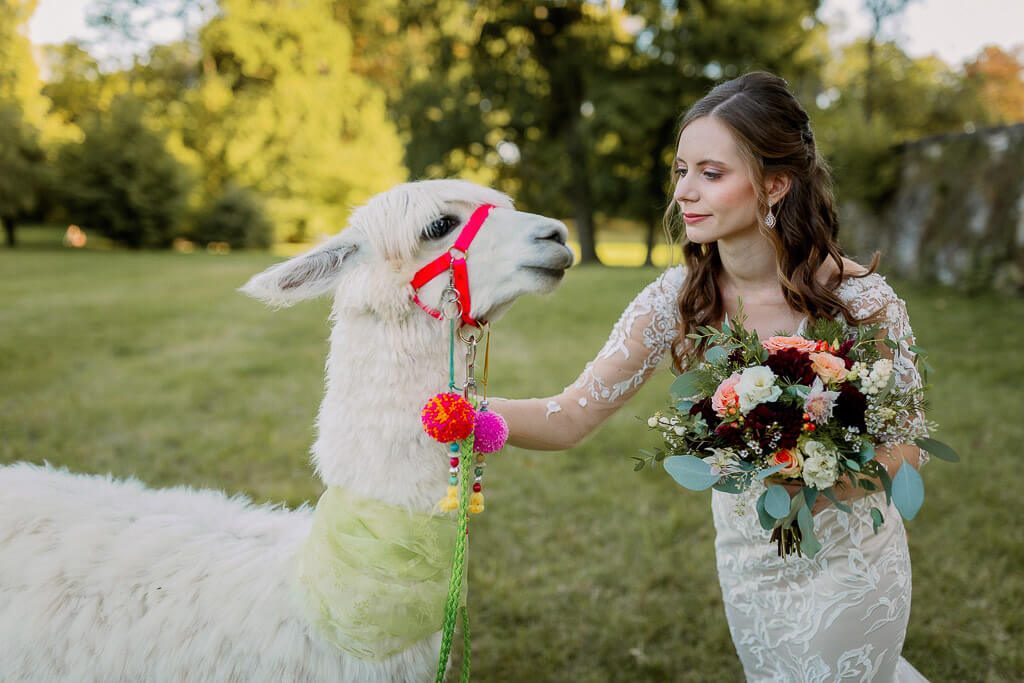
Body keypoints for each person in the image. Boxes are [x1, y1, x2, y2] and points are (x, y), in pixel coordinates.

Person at [490, 71, 930, 682]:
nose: (685, 194)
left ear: (774, 185)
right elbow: (569, 418)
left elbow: (906, 447)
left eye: (711, 174)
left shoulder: (861, 302)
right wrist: (466, 409)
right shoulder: (675, 303)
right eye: (680, 171)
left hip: (851, 567)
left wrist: (812, 469)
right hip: (752, 569)